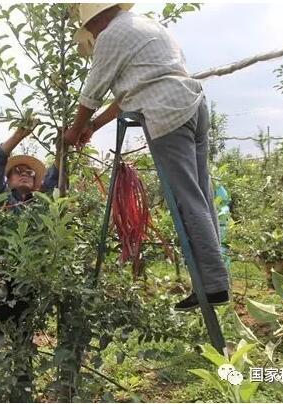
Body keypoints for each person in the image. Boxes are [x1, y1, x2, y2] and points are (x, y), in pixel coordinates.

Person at [64, 3, 230, 311]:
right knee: (202, 196)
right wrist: (93, 126)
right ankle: (213, 281)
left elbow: (92, 93)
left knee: (187, 200)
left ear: (94, 20)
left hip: (166, 113)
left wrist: (73, 132)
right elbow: (125, 96)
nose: (92, 35)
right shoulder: (144, 24)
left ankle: (214, 285)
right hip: (192, 105)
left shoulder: (111, 35)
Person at [0, 125, 59, 399]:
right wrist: (21, 133)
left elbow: (57, 173)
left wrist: (68, 142)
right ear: (7, 180)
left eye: (30, 173)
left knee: (23, 338)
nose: (25, 175)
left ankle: (23, 391)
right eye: (18, 171)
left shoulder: (39, 205)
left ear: (36, 183)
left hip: (26, 282)